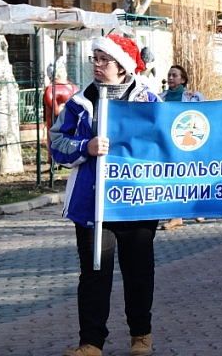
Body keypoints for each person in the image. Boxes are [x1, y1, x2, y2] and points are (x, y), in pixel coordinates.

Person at [50, 34, 160, 356]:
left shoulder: (148, 102)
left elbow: (166, 146)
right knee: (94, 274)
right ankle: (90, 343)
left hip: (138, 204)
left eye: (103, 59)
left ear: (122, 67)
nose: (96, 65)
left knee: (139, 272)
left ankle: (141, 336)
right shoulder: (79, 102)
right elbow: (57, 143)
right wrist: (86, 147)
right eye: (94, 59)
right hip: (92, 205)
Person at [159, 65, 205, 231]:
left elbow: (202, 108)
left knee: (188, 177)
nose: (171, 78)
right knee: (172, 179)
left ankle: (194, 209)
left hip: (184, 142)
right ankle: (176, 217)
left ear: (183, 79)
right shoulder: (161, 97)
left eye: (174, 75)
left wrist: (195, 96)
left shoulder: (191, 96)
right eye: (169, 75)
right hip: (167, 143)